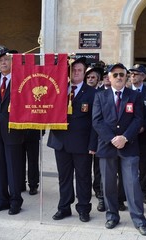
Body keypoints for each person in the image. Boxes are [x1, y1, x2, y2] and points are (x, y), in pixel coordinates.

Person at [92, 62, 146, 236]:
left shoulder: (134, 96)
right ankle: (112, 216)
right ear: (109, 77)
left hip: (129, 146)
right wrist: (112, 139)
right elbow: (97, 121)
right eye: (115, 74)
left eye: (121, 75)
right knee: (108, 184)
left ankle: (139, 220)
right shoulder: (100, 96)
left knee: (132, 185)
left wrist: (124, 137)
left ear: (126, 77)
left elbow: (138, 119)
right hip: (107, 147)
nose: (118, 77)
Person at [47, 57, 96, 222]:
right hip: (60, 141)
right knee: (64, 177)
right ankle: (64, 207)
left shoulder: (93, 93)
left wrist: (93, 144)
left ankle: (83, 208)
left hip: (82, 144)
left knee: (83, 177)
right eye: (73, 70)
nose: (76, 73)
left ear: (84, 72)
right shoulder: (57, 88)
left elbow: (95, 122)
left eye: (79, 70)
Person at [0, 46, 24, 215]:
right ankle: (2, 199)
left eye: (6, 60)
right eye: (0, 61)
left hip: (13, 131)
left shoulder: (20, 81)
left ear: (12, 62)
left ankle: (16, 200)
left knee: (13, 168)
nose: (3, 63)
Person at [129, 64, 146, 204]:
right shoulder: (125, 91)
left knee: (144, 166)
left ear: (144, 76)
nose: (133, 76)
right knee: (128, 165)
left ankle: (145, 192)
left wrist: (143, 126)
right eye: (132, 73)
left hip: (145, 136)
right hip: (129, 136)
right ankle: (128, 191)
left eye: (137, 74)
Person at [85, 66, 105, 212]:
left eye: (93, 77)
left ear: (98, 79)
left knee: (98, 168)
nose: (91, 79)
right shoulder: (81, 93)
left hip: (98, 137)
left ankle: (99, 191)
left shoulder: (102, 94)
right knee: (85, 167)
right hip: (84, 137)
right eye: (88, 77)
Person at [21, 130, 42, 195]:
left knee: (33, 160)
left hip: (33, 131)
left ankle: (33, 185)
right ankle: (20, 183)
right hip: (18, 131)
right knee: (19, 161)